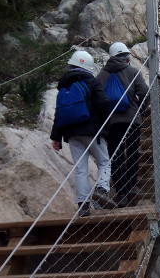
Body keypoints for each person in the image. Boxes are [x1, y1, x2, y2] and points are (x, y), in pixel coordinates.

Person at [50, 50, 116, 218]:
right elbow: (103, 102)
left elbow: (59, 113)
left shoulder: (64, 86)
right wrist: (105, 126)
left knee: (80, 169)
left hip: (71, 134)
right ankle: (102, 189)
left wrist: (56, 137)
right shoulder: (91, 82)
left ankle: (83, 205)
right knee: (104, 161)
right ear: (88, 67)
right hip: (92, 131)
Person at [97, 42, 149, 208]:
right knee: (132, 151)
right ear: (126, 57)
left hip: (111, 122)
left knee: (116, 155)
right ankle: (132, 185)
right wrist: (141, 110)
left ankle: (121, 193)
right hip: (132, 119)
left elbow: (95, 100)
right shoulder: (133, 72)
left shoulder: (101, 76)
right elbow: (144, 93)